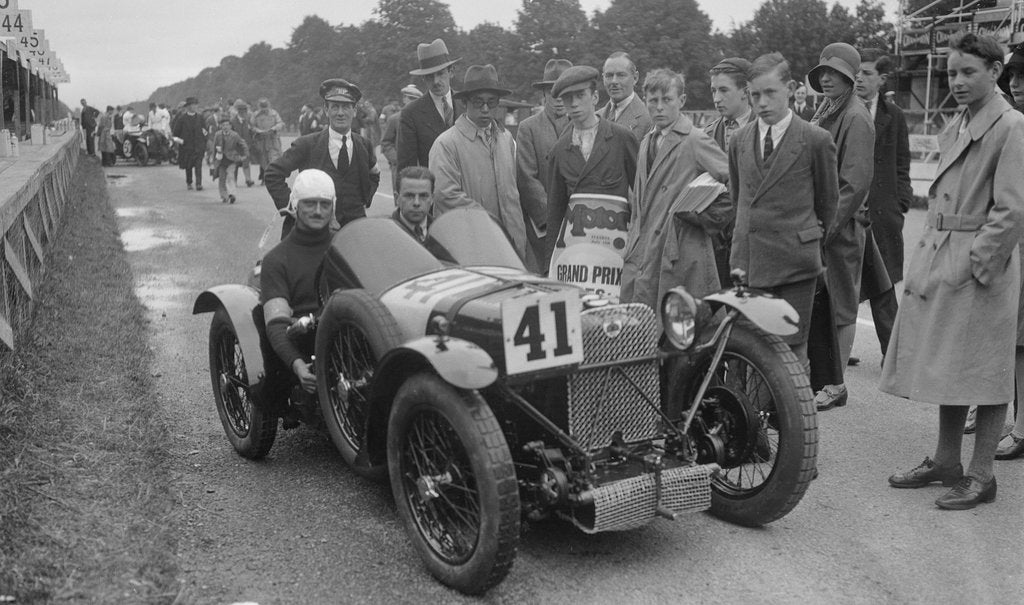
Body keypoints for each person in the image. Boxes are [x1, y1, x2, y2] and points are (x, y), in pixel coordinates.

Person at [882, 32, 1024, 509]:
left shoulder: (1010, 125)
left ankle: (982, 475)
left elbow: (1011, 210)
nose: (957, 82)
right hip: (946, 255)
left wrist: (979, 264)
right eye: (951, 73)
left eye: (968, 72)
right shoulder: (963, 121)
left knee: (985, 370)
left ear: (995, 72)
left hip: (980, 265)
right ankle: (947, 460)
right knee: (950, 364)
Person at [729, 52, 839, 369]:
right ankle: (758, 419)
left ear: (790, 88)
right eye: (755, 95)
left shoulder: (815, 139)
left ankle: (792, 418)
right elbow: (740, 202)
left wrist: (808, 244)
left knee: (791, 353)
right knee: (751, 350)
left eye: (770, 93)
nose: (762, 102)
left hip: (796, 265)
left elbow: (828, 206)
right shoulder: (739, 140)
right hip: (751, 263)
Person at [620, 68, 730, 309]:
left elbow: (734, 184)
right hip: (643, 251)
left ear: (681, 101)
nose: (659, 107)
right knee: (638, 327)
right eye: (653, 100)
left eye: (666, 100)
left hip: (679, 252)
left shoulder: (694, 140)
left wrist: (701, 217)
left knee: (679, 329)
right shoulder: (647, 141)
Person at [806, 43, 875, 411]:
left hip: (842, 226)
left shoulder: (855, 117)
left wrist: (825, 230)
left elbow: (854, 183)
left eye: (834, 73)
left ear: (850, 78)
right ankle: (826, 377)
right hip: (822, 223)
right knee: (823, 303)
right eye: (822, 73)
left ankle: (837, 384)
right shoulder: (828, 109)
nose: (827, 78)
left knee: (843, 306)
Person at [429, 64, 534, 270]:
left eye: (491, 102)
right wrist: (488, 221)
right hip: (469, 246)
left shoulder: (506, 139)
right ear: (466, 102)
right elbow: (445, 195)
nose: (485, 109)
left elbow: (515, 191)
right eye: (478, 102)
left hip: (512, 244)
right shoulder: (446, 144)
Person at [545, 65, 639, 268]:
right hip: (576, 252)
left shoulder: (622, 139)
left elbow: (643, 196)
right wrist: (549, 267)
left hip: (617, 249)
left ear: (595, 97)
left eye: (580, 95)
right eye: (567, 98)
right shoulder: (560, 150)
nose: (574, 104)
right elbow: (555, 212)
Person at [854, 49, 913, 363]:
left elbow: (902, 162)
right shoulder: (840, 111)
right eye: (857, 73)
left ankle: (892, 355)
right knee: (840, 283)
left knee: (883, 285)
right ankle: (836, 349)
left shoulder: (894, 116)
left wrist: (900, 202)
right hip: (848, 213)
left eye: (866, 73)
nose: (859, 79)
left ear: (882, 78)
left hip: (882, 212)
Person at [266, 79, 380, 238]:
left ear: (354, 111)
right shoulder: (307, 144)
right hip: (313, 231)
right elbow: (273, 173)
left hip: (353, 232)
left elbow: (374, 174)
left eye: (346, 107)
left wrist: (363, 200)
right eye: (335, 107)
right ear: (326, 110)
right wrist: (293, 207)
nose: (340, 113)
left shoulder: (364, 145)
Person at [261, 169, 338, 396]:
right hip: (306, 341)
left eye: (324, 204)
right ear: (295, 205)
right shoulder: (276, 260)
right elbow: (276, 324)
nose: (317, 211)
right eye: (310, 204)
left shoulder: (344, 247)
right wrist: (298, 365)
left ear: (333, 206)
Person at [993, 42, 1024, 460]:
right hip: (1015, 245)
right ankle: (1017, 423)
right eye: (1014, 77)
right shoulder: (1013, 125)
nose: (1016, 85)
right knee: (1016, 340)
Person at [516, 59, 572, 269]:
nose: (558, 98)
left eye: (563, 91)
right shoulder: (528, 128)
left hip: (579, 224)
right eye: (552, 92)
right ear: (543, 94)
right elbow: (526, 177)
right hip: (543, 227)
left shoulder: (583, 125)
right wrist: (550, 218)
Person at [705, 57, 756, 287]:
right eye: (714, 90)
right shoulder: (705, 135)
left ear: (745, 91)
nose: (716, 99)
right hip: (717, 245)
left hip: (756, 244)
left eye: (724, 90)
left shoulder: (768, 131)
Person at [397, 38, 462, 171]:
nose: (436, 81)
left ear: (451, 72)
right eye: (429, 76)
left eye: (440, 73)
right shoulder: (411, 113)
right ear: (423, 78)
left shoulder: (467, 104)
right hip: (432, 188)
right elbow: (406, 166)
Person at [599, 51, 653, 139]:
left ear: (635, 78)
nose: (614, 81)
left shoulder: (648, 120)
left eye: (621, 75)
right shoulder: (596, 118)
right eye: (609, 75)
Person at [381, 84, 423, 190]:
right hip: (401, 168)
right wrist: (397, 159)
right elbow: (386, 143)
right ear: (404, 99)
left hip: (421, 168)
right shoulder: (394, 119)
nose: (413, 102)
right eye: (410, 98)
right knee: (402, 197)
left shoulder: (424, 119)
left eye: (415, 99)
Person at [210, 117, 249, 204]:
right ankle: (224, 195)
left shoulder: (235, 135)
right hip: (221, 159)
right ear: (220, 126)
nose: (225, 127)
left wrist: (245, 155)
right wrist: (213, 161)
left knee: (230, 176)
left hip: (232, 158)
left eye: (227, 125)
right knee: (222, 178)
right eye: (223, 125)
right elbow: (214, 148)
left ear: (231, 126)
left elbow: (243, 143)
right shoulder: (218, 135)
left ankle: (232, 194)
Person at [171, 97, 207, 191]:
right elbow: (174, 134)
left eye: (196, 104)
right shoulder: (182, 119)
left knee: (198, 166)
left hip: (198, 146)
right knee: (189, 166)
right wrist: (181, 142)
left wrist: (204, 142)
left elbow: (205, 131)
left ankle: (199, 184)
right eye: (192, 105)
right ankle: (189, 182)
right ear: (188, 107)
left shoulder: (200, 118)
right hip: (187, 147)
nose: (195, 106)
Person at [392, 165, 434, 241]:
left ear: (432, 199)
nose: (416, 203)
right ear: (397, 198)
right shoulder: (385, 235)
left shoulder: (443, 235)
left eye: (423, 196)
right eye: (409, 196)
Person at [251, 97, 284, 184]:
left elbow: (280, 123)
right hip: (261, 140)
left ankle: (273, 177)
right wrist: (258, 131)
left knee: (273, 158)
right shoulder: (255, 115)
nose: (264, 109)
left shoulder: (274, 113)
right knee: (263, 160)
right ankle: (266, 177)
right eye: (262, 107)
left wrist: (274, 128)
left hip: (273, 139)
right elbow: (252, 126)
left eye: (265, 106)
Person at [231, 101, 256, 187]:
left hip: (246, 145)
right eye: (243, 111)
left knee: (246, 163)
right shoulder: (233, 121)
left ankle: (248, 179)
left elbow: (251, 131)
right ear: (239, 112)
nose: (244, 113)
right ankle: (234, 181)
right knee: (236, 164)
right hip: (236, 146)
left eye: (245, 111)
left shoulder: (247, 121)